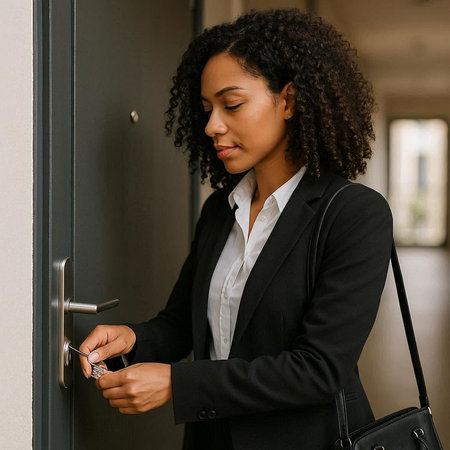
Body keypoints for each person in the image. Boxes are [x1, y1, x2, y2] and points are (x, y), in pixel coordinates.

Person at [79, 8, 393, 450]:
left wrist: (177, 384)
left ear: (288, 101)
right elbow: (182, 325)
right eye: (207, 109)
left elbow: (318, 370)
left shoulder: (353, 215)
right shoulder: (220, 210)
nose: (212, 126)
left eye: (232, 105)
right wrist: (132, 338)